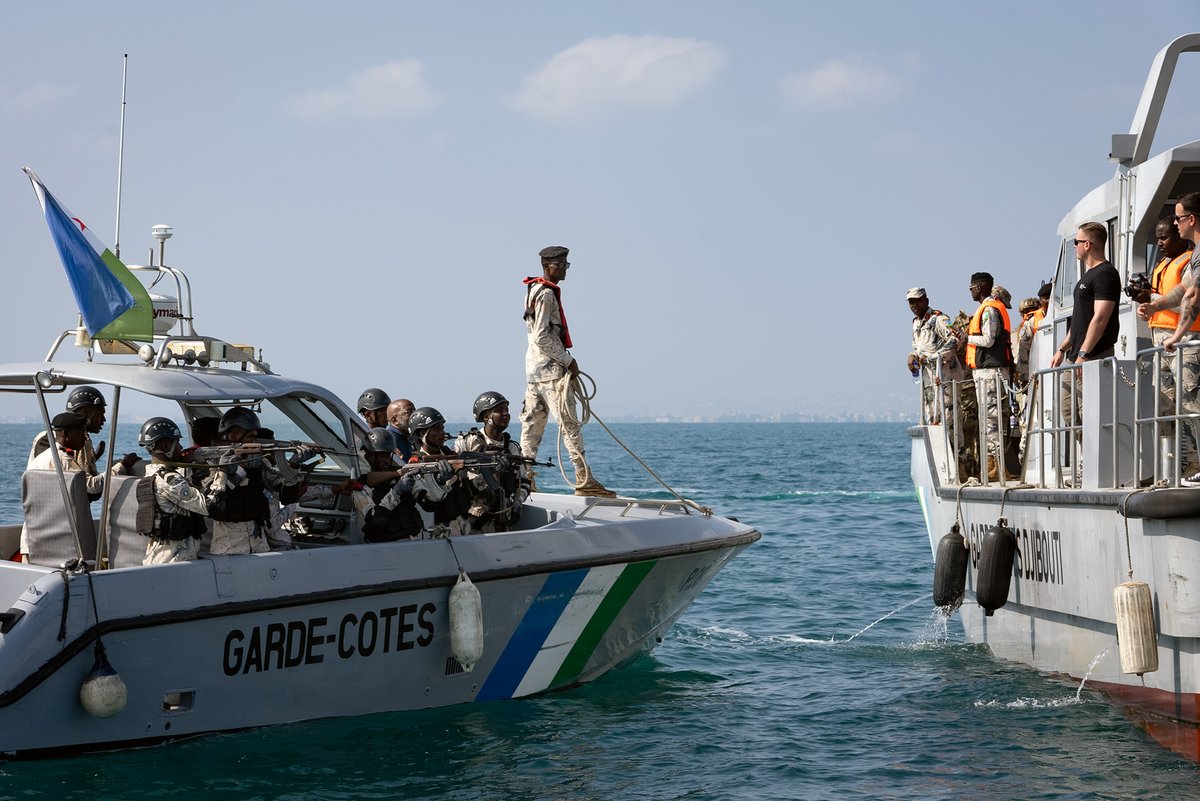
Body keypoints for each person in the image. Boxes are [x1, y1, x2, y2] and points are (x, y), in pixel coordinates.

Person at [519, 245, 615, 497]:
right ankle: (583, 480)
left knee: (532, 424)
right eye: (559, 264)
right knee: (568, 424)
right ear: (546, 266)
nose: (564, 269)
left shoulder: (533, 290)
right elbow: (541, 336)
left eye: (566, 264)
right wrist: (567, 360)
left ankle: (524, 480)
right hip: (551, 371)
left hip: (534, 370)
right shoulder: (546, 294)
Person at [1050, 222, 1121, 475]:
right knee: (1070, 411)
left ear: (1087, 244)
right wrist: (1064, 346)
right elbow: (1081, 318)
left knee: (1089, 412)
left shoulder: (1105, 274)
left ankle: (1095, 466)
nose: (1075, 247)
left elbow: (1101, 317)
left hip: (1092, 356)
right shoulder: (1087, 276)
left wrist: (1084, 353)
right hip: (1075, 355)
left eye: (1077, 242)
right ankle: (1088, 460)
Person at [1134, 216, 1200, 478]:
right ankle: (1171, 467)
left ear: (1180, 233)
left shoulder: (1190, 262)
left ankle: (1195, 464)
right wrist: (1147, 302)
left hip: (1183, 340)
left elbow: (1187, 301)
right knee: (1166, 407)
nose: (1159, 243)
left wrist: (1152, 299)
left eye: (1164, 237)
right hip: (1160, 342)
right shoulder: (1163, 264)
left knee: (1190, 403)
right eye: (1157, 238)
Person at [204, 406, 306, 555]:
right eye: (250, 437)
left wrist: (294, 465)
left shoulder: (258, 464)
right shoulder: (214, 463)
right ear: (233, 436)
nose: (255, 441)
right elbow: (213, 505)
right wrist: (238, 470)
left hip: (259, 546)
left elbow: (286, 496)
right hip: (229, 549)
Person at [137, 417, 221, 565]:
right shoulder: (169, 480)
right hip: (174, 561)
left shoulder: (153, 475)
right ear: (165, 445)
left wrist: (196, 479)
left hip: (164, 559)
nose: (181, 447)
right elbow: (209, 506)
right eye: (177, 443)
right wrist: (224, 475)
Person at [454, 391, 530, 532]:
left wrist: (518, 502)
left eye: (506, 410)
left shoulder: (512, 448)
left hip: (503, 517)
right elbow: (456, 476)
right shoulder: (468, 442)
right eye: (500, 410)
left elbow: (524, 481)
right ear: (486, 416)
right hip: (473, 518)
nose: (506, 414)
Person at [966, 272, 1014, 481]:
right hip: (986, 371)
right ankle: (992, 464)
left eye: (972, 288)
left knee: (992, 419)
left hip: (991, 372)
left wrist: (967, 338)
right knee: (988, 419)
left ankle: (997, 466)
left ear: (982, 287)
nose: (971, 291)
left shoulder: (989, 310)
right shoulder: (988, 308)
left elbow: (988, 339)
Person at [343, 428, 424, 542]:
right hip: (384, 546)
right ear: (368, 457)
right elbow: (375, 521)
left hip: (413, 541)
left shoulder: (401, 476)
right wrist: (396, 492)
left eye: (387, 455)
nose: (386, 460)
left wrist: (440, 482)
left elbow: (428, 504)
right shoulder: (362, 486)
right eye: (380, 455)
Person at [407, 406, 473, 536]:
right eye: (436, 429)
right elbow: (425, 503)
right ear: (422, 433)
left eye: (442, 428)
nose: (442, 433)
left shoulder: (450, 454)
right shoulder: (416, 462)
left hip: (461, 523)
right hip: (437, 528)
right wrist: (440, 482)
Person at [905, 287, 962, 425]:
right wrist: (912, 356)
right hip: (928, 379)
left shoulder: (938, 319)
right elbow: (919, 348)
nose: (914, 305)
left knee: (949, 421)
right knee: (932, 418)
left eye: (918, 301)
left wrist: (934, 357)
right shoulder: (916, 323)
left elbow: (956, 338)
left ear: (926, 300)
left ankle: (955, 447)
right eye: (911, 302)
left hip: (945, 377)